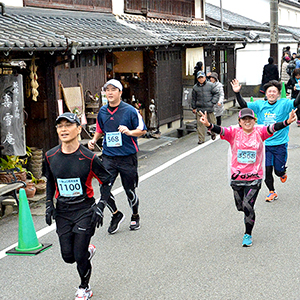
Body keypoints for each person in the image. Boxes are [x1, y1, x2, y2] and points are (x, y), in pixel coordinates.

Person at [199, 108, 297, 247]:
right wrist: (208, 125)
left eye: (250, 119)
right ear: (239, 121)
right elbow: (220, 130)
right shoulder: (233, 133)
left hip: (254, 177)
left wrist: (287, 122)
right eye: (244, 119)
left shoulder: (260, 132)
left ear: (254, 120)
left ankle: (248, 234)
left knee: (248, 205)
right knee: (240, 206)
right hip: (237, 177)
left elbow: (273, 127)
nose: (247, 121)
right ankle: (246, 212)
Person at [44, 112, 112, 300]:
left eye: (68, 125)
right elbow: (50, 181)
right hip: (63, 212)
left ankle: (85, 287)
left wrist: (101, 206)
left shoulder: (89, 157)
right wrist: (49, 204)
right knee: (68, 256)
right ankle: (87, 250)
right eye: (60, 126)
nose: (63, 129)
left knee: (79, 255)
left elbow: (106, 182)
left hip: (85, 210)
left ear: (79, 129)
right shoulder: (50, 156)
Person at [88, 79, 147, 234]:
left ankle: (135, 215)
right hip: (109, 156)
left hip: (127, 156)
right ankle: (116, 214)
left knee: (129, 190)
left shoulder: (130, 110)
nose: (110, 93)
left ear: (120, 92)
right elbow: (101, 129)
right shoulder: (102, 111)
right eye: (107, 90)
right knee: (104, 188)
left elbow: (142, 130)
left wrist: (129, 132)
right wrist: (94, 140)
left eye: (113, 89)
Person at [231, 79, 300, 202]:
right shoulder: (259, 105)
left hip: (280, 144)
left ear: (278, 94)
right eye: (269, 91)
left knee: (278, 171)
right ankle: (271, 191)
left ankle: (282, 172)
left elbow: (297, 102)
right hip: (264, 144)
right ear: (266, 94)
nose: (272, 94)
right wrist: (237, 93)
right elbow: (244, 106)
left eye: (274, 91)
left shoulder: (284, 104)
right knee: (267, 170)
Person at [191, 71, 219, 144]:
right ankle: (201, 139)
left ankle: (213, 133)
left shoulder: (210, 85)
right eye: (199, 78)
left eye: (202, 77)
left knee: (212, 122)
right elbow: (193, 98)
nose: (201, 79)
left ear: (205, 77)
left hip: (209, 108)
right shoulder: (195, 88)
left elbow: (216, 93)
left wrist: (212, 102)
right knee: (200, 125)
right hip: (200, 108)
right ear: (197, 79)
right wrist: (194, 107)